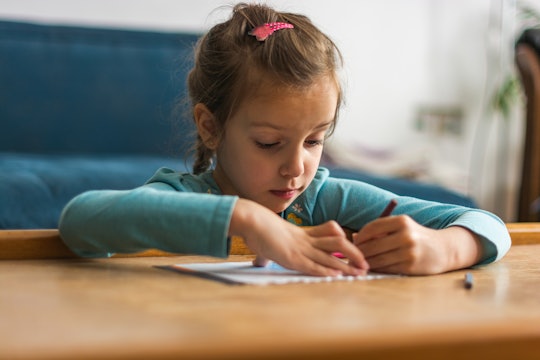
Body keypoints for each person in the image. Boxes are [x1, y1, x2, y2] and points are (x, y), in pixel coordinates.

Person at [59, 2, 511, 277]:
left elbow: (487, 223)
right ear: (211, 126)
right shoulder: (183, 196)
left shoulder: (323, 199)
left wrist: (445, 247)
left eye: (314, 141)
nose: (296, 168)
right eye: (269, 143)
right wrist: (253, 222)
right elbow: (81, 219)